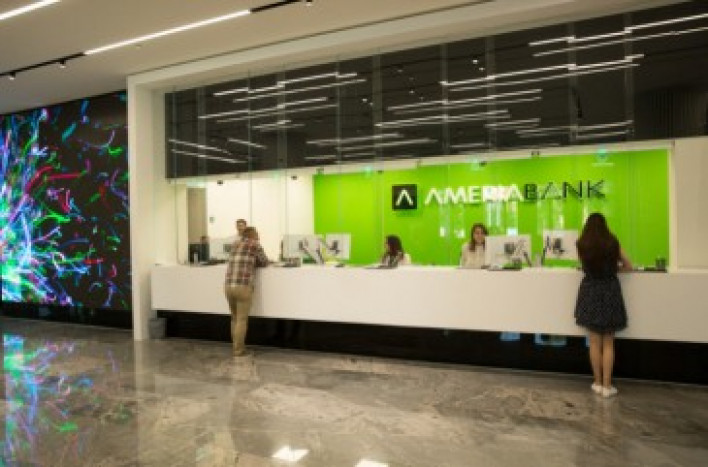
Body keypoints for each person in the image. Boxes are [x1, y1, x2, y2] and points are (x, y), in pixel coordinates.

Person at [574, 213, 632, 398]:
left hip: (590, 290)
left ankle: (597, 383)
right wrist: (614, 269)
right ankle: (607, 386)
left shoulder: (582, 244)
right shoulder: (612, 242)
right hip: (609, 291)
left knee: (593, 342)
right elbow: (629, 265)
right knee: (608, 342)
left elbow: (584, 265)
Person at [224, 226, 269, 357]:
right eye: (257, 234)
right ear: (252, 235)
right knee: (242, 320)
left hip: (228, 286)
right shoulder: (255, 245)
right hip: (243, 286)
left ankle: (235, 346)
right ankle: (238, 351)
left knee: (234, 318)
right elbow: (264, 261)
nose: (259, 236)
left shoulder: (234, 244)